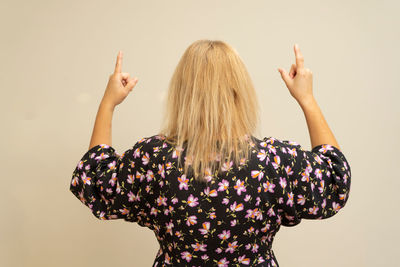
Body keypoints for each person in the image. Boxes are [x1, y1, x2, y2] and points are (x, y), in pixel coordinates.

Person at [69, 40, 351, 267]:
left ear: (181, 92)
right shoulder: (273, 161)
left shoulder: (153, 159)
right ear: (240, 91)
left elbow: (94, 180)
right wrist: (307, 99)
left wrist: (108, 103)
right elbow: (335, 178)